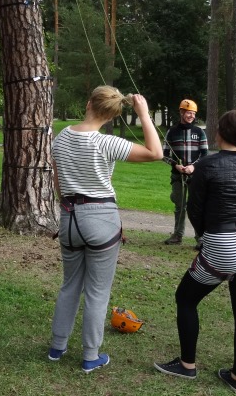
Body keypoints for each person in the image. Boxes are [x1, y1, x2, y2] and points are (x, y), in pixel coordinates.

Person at [155, 110, 236, 394]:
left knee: (185, 297)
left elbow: (195, 210)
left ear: (221, 133)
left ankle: (187, 365)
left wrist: (208, 238)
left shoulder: (208, 165)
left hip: (224, 243)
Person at [48, 86, 162, 373]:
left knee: (70, 284)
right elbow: (155, 152)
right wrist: (144, 114)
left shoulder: (60, 138)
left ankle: (57, 347)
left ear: (88, 104)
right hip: (101, 218)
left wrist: (66, 205)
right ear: (111, 115)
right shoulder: (106, 143)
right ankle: (90, 355)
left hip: (69, 217)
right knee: (98, 291)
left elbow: (58, 180)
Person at [162, 99, 209, 245]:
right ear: (181, 112)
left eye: (193, 113)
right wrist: (176, 165)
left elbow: (204, 155)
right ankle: (177, 235)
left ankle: (200, 238)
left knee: (196, 206)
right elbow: (164, 155)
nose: (191, 116)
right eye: (189, 113)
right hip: (177, 176)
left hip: (195, 177)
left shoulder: (199, 132)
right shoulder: (172, 132)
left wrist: (193, 167)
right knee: (179, 206)